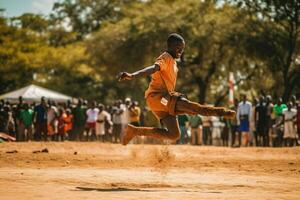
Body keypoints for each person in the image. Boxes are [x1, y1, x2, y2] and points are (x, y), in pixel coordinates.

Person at [118, 33, 235, 145]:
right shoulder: (166, 57)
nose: (181, 51)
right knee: (192, 107)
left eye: (182, 48)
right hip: (157, 97)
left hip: (162, 102)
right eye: (178, 47)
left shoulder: (174, 63)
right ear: (170, 46)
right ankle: (221, 112)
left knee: (174, 135)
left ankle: (135, 131)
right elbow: (153, 68)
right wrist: (132, 75)